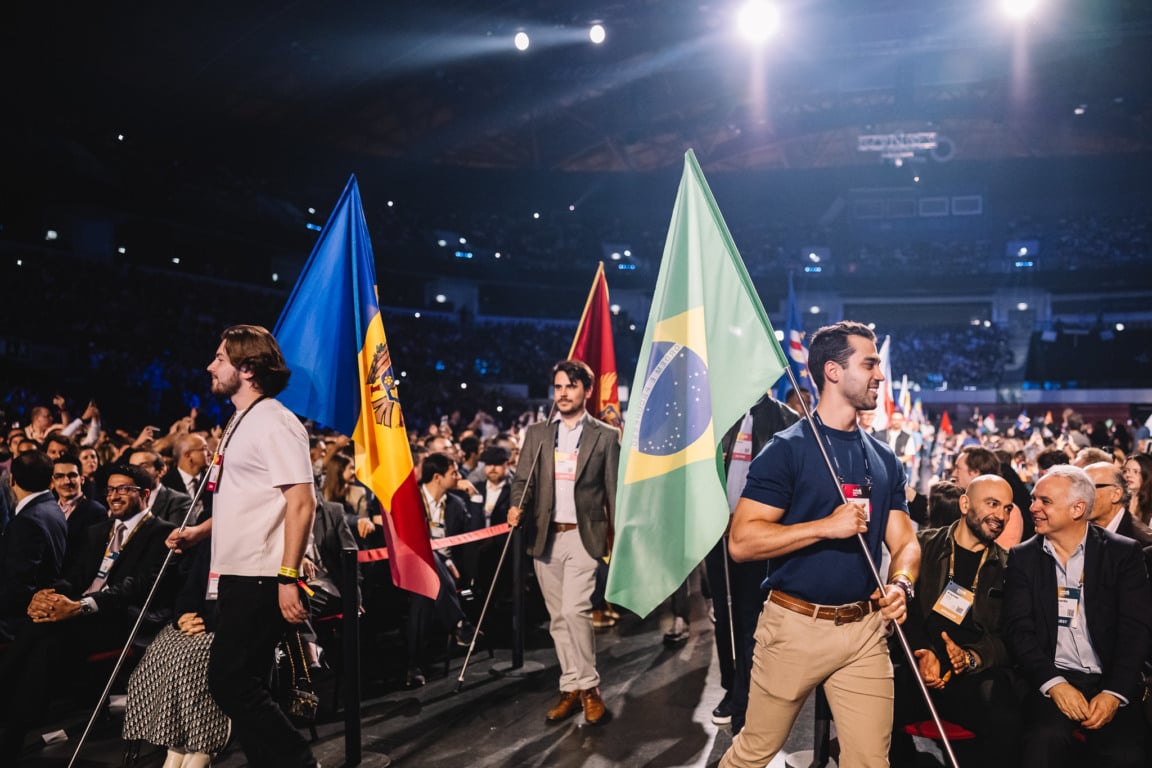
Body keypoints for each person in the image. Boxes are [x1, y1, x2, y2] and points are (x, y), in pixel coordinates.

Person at [720, 321, 920, 768]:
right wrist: (822, 528)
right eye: (869, 364)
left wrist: (901, 584)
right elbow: (742, 541)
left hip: (865, 630)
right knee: (754, 752)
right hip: (794, 625)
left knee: (870, 761)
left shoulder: (884, 457)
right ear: (832, 371)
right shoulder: (787, 448)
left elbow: (905, 540)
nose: (880, 376)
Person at [166, 324, 318, 768]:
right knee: (246, 682)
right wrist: (200, 532)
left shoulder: (275, 422)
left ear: (247, 368)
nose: (209, 366)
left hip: (262, 575)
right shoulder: (240, 421)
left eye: (219, 359)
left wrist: (287, 577)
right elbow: (250, 501)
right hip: (236, 574)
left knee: (231, 682)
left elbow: (302, 503)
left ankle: (300, 762)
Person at [1004, 465, 1152, 768]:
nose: (1033, 507)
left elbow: (1136, 630)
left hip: (1110, 678)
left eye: (1045, 501)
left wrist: (1114, 693)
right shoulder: (1023, 557)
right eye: (1034, 499)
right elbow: (1019, 631)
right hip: (1052, 677)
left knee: (1128, 754)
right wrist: (1054, 683)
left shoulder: (1123, 553)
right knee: (1043, 742)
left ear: (1077, 508)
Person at [507, 359, 620, 726]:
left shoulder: (605, 435)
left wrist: (618, 539)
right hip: (545, 538)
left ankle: (590, 688)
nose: (563, 393)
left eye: (570, 386)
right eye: (558, 387)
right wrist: (514, 506)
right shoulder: (538, 434)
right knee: (557, 618)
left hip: (584, 537)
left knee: (575, 612)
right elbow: (523, 479)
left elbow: (615, 492)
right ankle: (570, 686)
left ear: (586, 390)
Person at [891, 475, 1020, 767]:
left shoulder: (1009, 567)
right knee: (873, 701)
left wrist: (972, 657)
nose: (1000, 515)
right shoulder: (921, 546)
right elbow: (903, 610)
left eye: (1007, 508)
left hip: (970, 678)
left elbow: (1010, 638)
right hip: (916, 667)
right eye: (992, 504)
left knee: (1006, 714)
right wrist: (924, 653)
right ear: (964, 504)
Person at [123, 536, 229, 768]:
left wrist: (208, 623)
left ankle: (202, 746)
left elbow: (245, 602)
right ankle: (176, 744)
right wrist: (183, 616)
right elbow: (190, 588)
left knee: (189, 664)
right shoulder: (211, 543)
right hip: (196, 621)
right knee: (154, 661)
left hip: (229, 625)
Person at [1122, 453, 1152, 525]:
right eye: (1126, 471)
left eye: (1135, 472)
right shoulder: (1120, 502)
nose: (1128, 475)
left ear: (1146, 475)